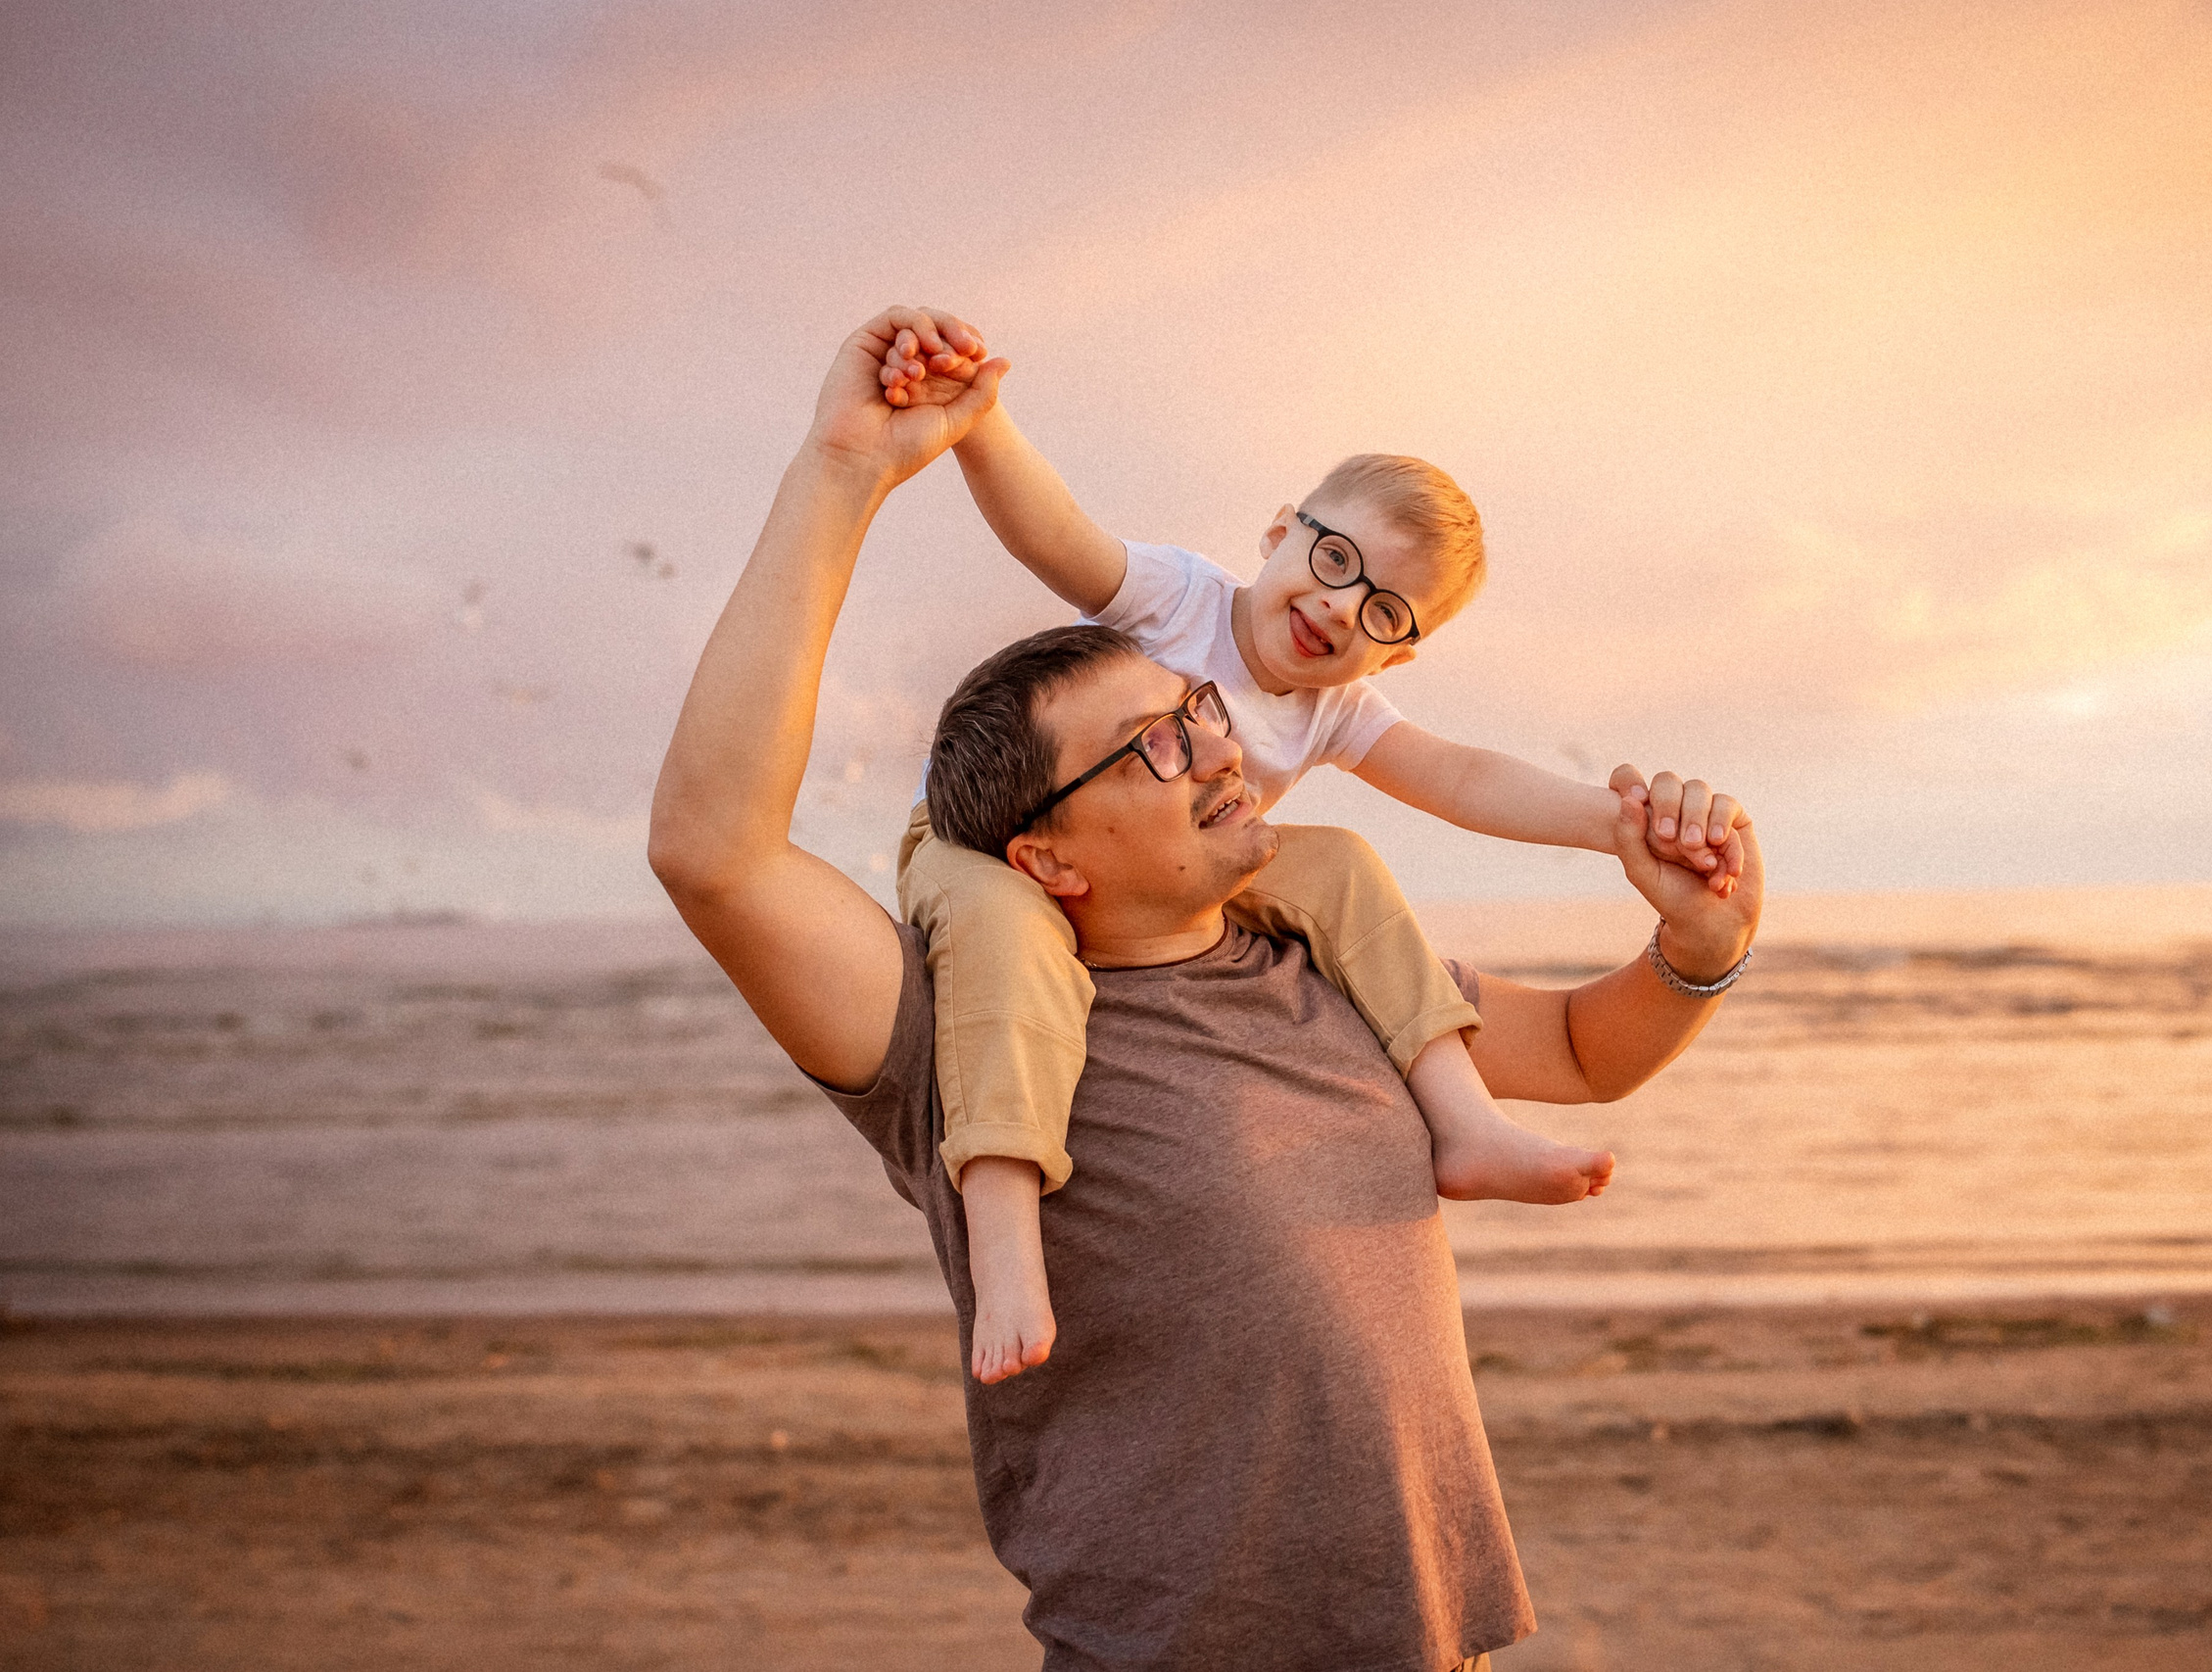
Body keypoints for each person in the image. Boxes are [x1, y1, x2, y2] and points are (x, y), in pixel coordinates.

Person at [649, 306, 1766, 1672]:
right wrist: (845, 468)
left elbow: (1594, 1050)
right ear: (1043, 852)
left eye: (1197, 715)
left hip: (1430, 1639)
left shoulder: (1325, 951)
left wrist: (1700, 940)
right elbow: (715, 847)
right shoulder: (964, 1022)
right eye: (1153, 744)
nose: (1216, 740)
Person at [870, 309, 1747, 1381]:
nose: (1338, 609)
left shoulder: (1336, 712)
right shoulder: (1178, 597)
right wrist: (981, 423)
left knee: (1339, 863)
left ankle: (1462, 1124)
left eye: (1384, 612)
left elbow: (1463, 777)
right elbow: (1054, 531)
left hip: (1160, 881)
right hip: (981, 840)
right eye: (1333, 559)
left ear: (1403, 655)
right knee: (1005, 947)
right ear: (1279, 528)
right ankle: (1005, 1239)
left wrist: (1626, 828)